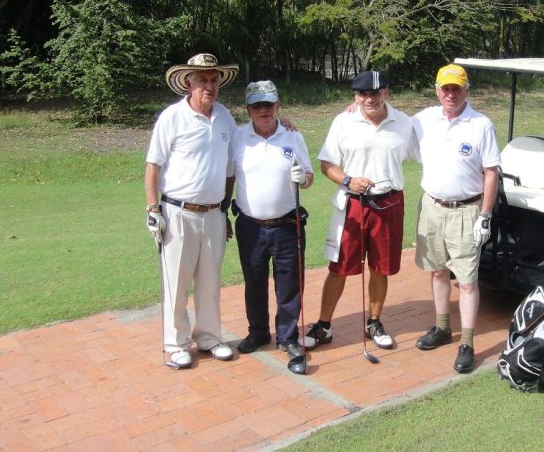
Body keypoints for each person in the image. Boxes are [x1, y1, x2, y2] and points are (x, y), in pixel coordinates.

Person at [306, 70, 416, 350]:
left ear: (386, 93)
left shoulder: (405, 122)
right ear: (355, 96)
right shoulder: (343, 121)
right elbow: (327, 164)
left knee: (381, 267)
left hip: (389, 203)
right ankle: (324, 325)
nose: (369, 99)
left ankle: (374, 322)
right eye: (362, 94)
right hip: (352, 204)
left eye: (375, 93)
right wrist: (348, 180)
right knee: (339, 267)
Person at [145, 53, 238, 369]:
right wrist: (152, 209)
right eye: (202, 81)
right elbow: (153, 166)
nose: (209, 86)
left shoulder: (224, 117)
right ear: (189, 84)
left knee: (210, 281)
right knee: (177, 281)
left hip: (213, 213)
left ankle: (210, 338)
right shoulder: (172, 117)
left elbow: (231, 168)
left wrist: (225, 208)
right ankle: (177, 343)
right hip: (177, 212)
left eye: (214, 80)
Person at [412, 63, 500, 373]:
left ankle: (467, 342)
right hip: (432, 207)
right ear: (437, 90)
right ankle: (442, 327)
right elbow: (388, 120)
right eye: (446, 88)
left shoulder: (481, 124)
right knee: (437, 271)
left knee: (466, 281)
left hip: (467, 210)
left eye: (457, 88)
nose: (451, 94)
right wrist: (356, 107)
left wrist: (485, 216)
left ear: (466, 90)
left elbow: (491, 172)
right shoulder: (423, 119)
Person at [232, 80, 316, 361]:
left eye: (268, 104)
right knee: (253, 282)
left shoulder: (292, 135)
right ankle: (258, 332)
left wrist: (303, 179)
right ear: (248, 109)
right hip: (250, 226)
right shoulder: (238, 137)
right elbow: (228, 176)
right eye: (257, 106)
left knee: (290, 284)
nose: (263, 110)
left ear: (278, 105)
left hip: (287, 225)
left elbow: (309, 176)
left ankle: (287, 336)